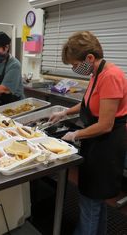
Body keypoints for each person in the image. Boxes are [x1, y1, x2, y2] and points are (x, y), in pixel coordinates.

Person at [50, 31, 127, 235]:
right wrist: (65, 112)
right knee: (95, 202)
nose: (74, 69)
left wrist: (75, 135)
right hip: (96, 142)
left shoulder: (111, 76)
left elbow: (106, 124)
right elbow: (88, 102)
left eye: (75, 65)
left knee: (91, 202)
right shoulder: (96, 73)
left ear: (89, 58)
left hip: (106, 145)